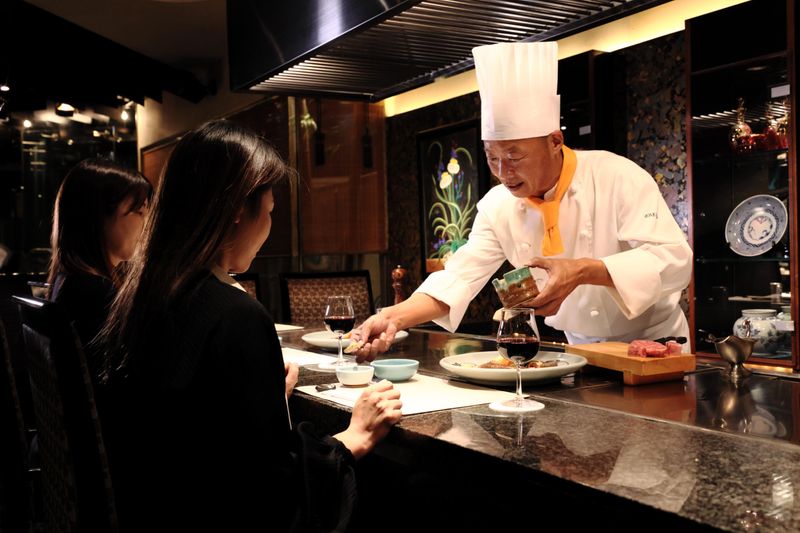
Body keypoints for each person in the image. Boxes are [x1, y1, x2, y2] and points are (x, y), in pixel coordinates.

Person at [98, 120, 402, 532]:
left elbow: (195, 422)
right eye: (271, 211)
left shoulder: (145, 295)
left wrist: (262, 394)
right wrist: (353, 438)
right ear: (240, 210)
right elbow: (267, 492)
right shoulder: (235, 314)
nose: (270, 226)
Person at [352, 41, 692, 359]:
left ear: (555, 141)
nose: (503, 172)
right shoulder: (498, 206)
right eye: (492, 157)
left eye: (515, 157)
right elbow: (459, 278)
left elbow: (675, 262)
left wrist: (583, 270)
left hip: (654, 345)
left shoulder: (617, 176)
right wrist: (392, 317)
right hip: (581, 352)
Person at [48, 158, 151, 368]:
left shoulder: (70, 281)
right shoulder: (94, 294)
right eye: (139, 212)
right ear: (97, 218)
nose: (148, 223)